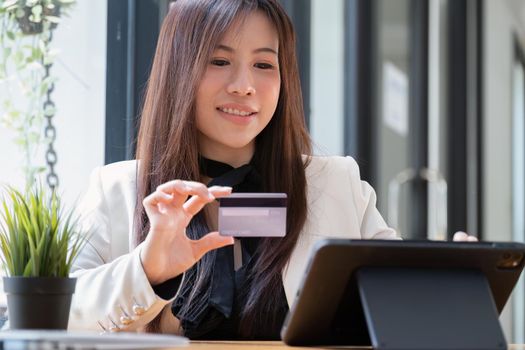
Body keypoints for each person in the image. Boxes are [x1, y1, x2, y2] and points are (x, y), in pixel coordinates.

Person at [69, 0, 476, 340]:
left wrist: (452, 282)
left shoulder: (337, 185)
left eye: (264, 65)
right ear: (179, 70)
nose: (244, 85)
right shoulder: (117, 189)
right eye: (219, 60)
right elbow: (58, 319)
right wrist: (149, 268)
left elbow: (397, 306)